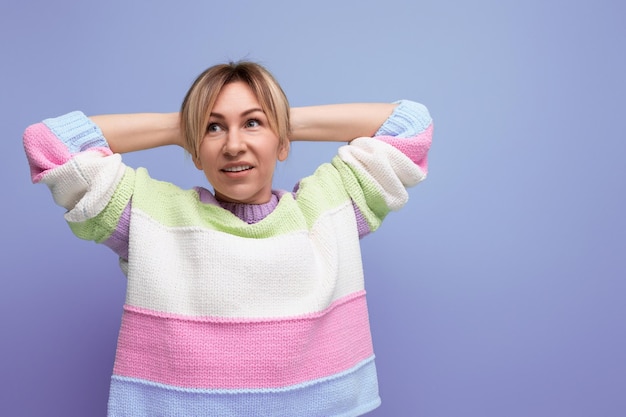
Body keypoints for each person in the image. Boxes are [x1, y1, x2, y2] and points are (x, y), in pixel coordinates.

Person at [23, 61, 433, 417]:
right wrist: (183, 123)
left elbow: (411, 126)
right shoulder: (152, 217)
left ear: (283, 140)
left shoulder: (329, 208)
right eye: (213, 128)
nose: (234, 145)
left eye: (253, 123)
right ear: (195, 149)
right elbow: (51, 144)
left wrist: (281, 121)